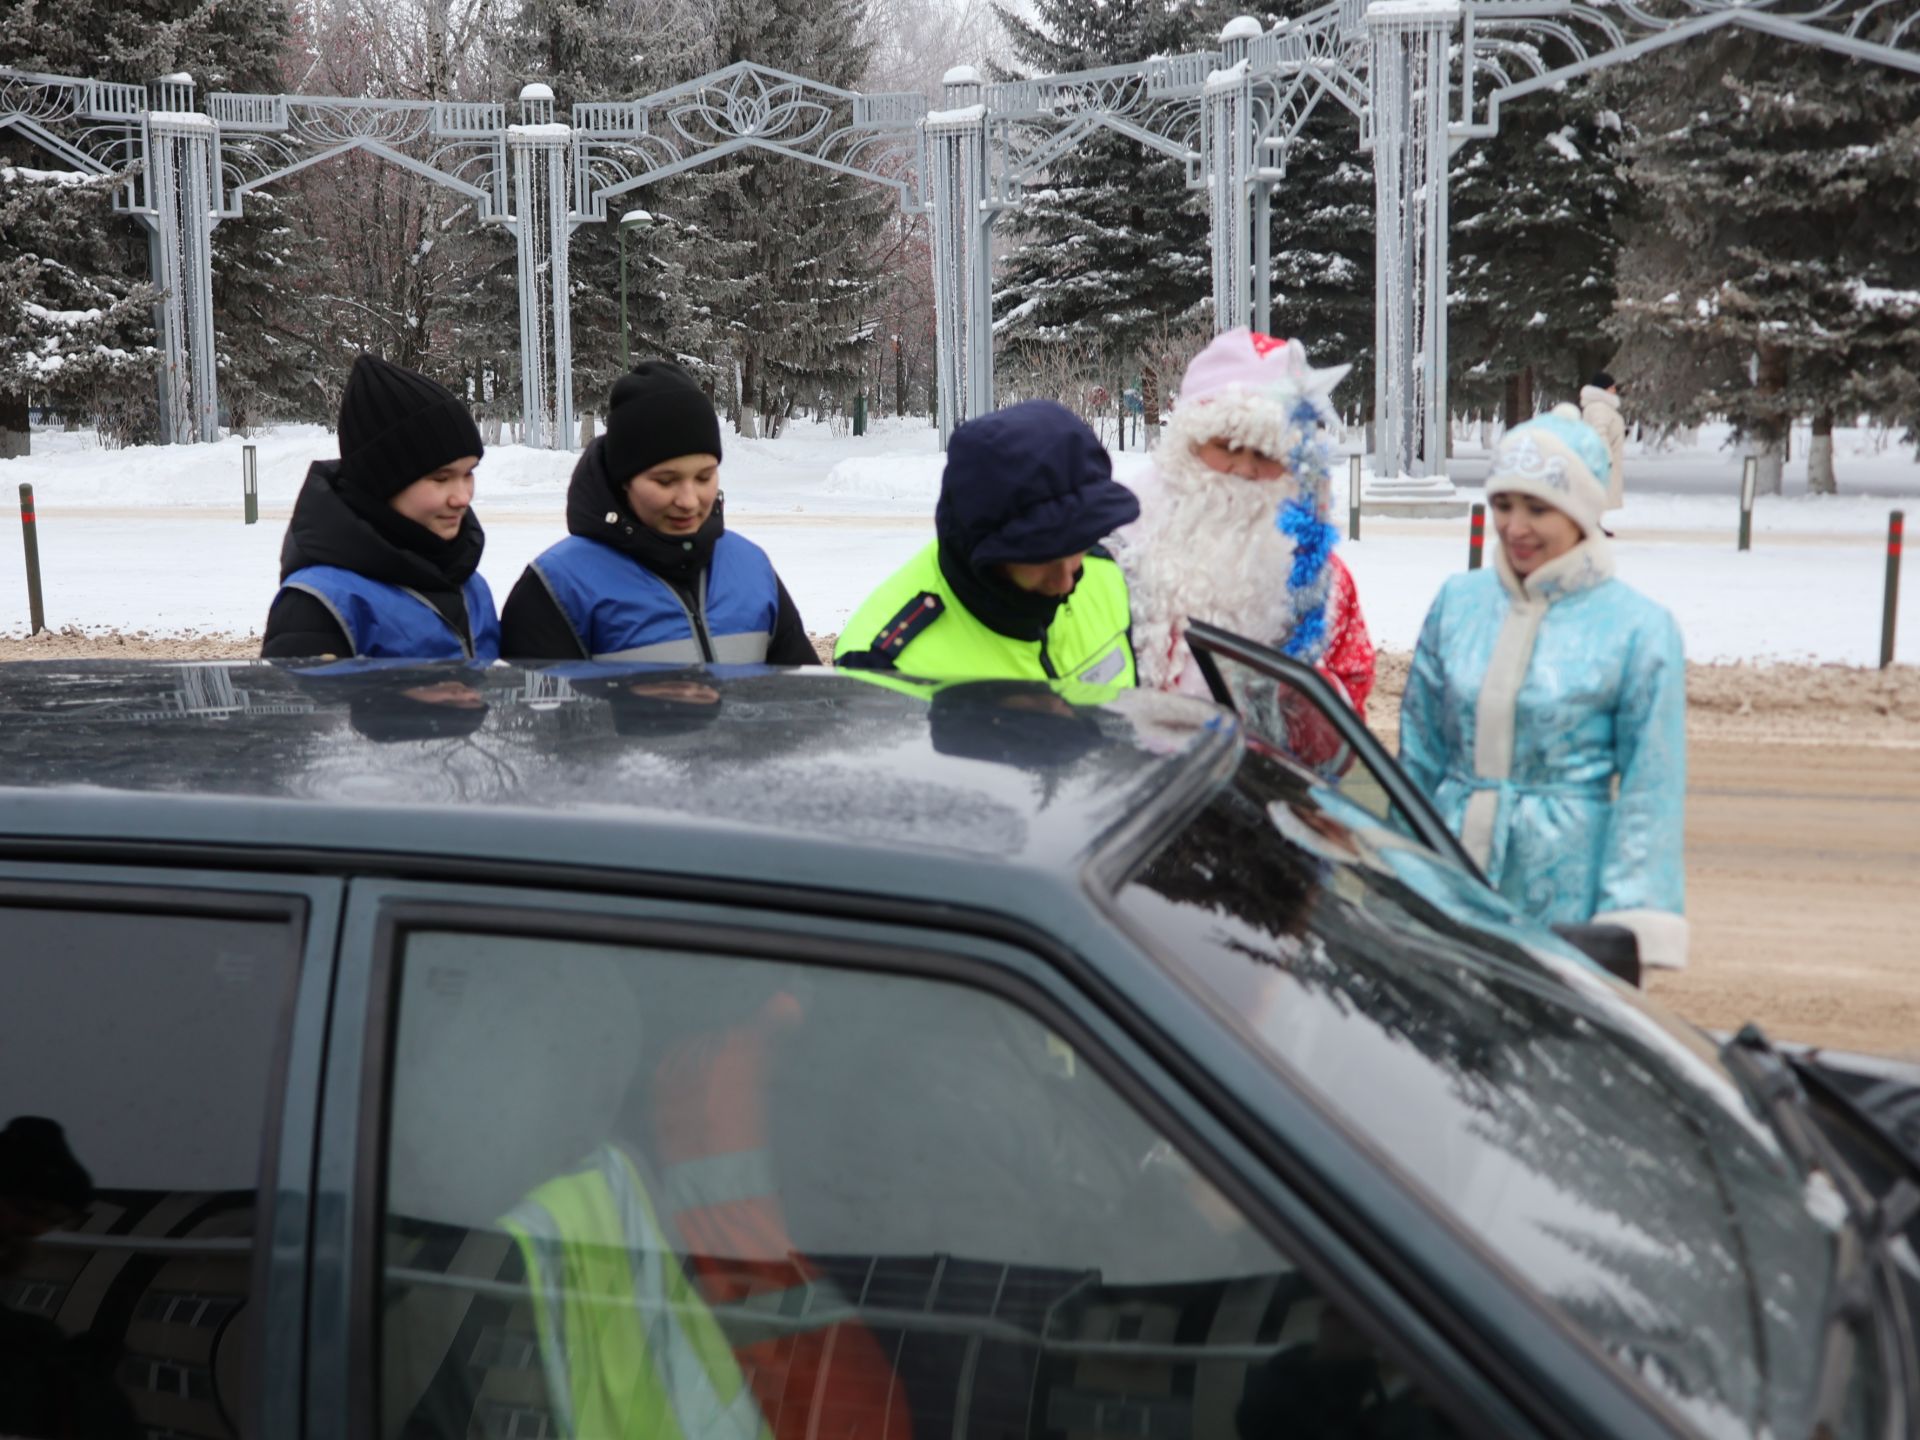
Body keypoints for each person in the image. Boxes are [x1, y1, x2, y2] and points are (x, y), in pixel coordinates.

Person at [1398, 404, 1687, 969]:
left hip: (1564, 890)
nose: (1515, 527)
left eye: (1538, 507)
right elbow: (1418, 757)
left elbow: (1651, 792)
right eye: (1503, 504)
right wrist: (1400, 869)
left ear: (1581, 513)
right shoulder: (1458, 604)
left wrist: (1626, 926)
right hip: (1449, 875)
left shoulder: (1638, 628)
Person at [1109, 327, 1375, 715]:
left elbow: (1347, 706)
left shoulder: (1321, 580)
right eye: (1228, 446)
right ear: (1190, 444)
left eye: (1266, 454)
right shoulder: (1119, 546)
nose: (1245, 469)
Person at [499, 361, 817, 665]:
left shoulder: (752, 568)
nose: (689, 500)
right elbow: (539, 716)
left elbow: (809, 704)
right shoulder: (557, 588)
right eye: (666, 481)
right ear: (624, 480)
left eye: (704, 477)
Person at [835, 400, 1140, 687]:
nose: (1065, 582)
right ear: (983, 549)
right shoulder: (881, 663)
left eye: (1076, 548)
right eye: (1040, 558)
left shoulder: (1104, 573)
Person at [262, 354, 499, 661]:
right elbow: (316, 705)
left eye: (468, 473)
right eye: (441, 478)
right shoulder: (318, 606)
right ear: (381, 483)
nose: (462, 497)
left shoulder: (469, 583)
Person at [1578, 371, 1627, 511]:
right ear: (1604, 388)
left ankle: (1595, 522)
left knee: (1598, 491)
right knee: (1598, 491)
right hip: (1602, 460)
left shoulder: (1600, 406)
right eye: (1612, 387)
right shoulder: (1599, 407)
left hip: (1602, 458)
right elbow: (1599, 431)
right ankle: (1593, 523)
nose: (1615, 390)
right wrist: (1606, 456)